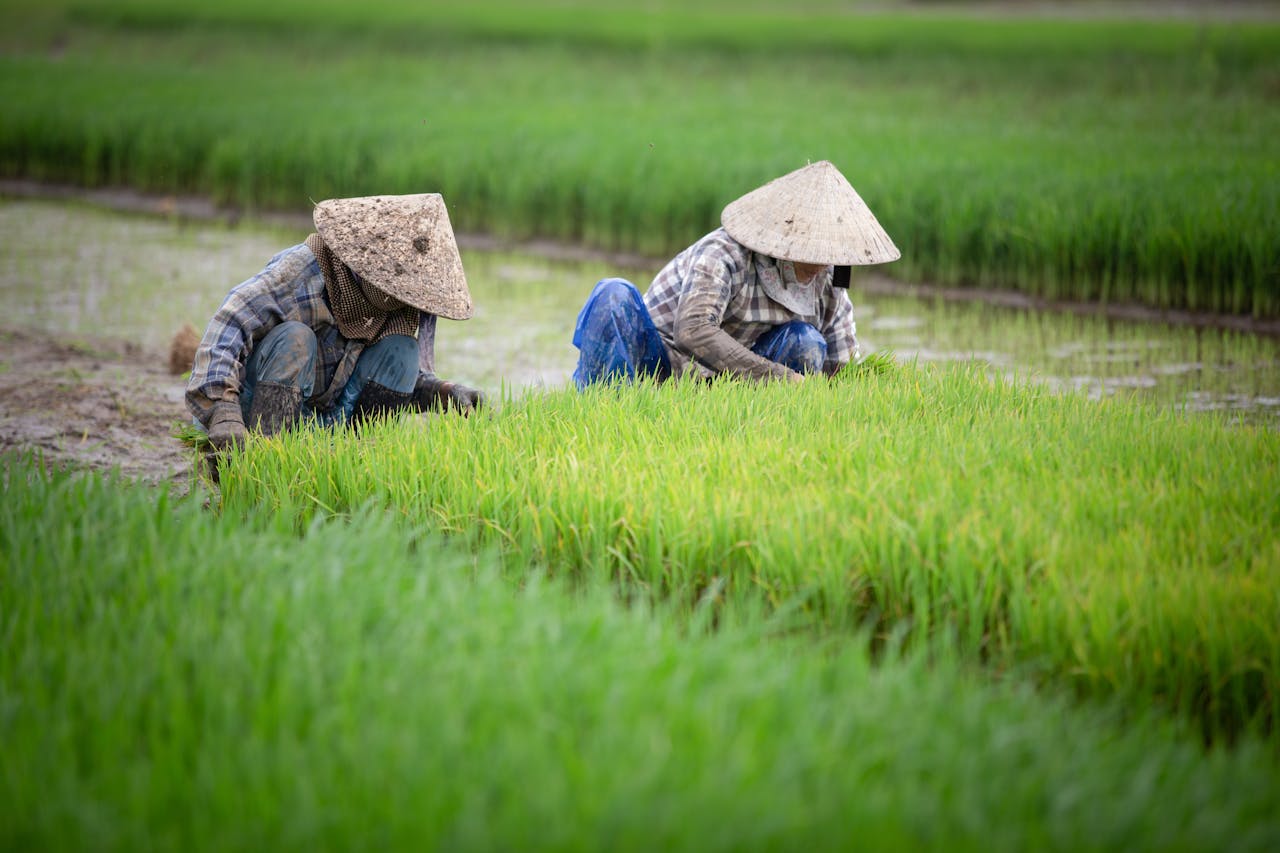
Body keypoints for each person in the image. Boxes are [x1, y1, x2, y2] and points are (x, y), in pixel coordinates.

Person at [186, 193, 484, 451]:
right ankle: (266, 459)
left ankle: (360, 461)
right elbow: (229, 323)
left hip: (327, 418)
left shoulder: (397, 308)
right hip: (255, 411)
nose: (404, 299)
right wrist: (223, 412)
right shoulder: (304, 270)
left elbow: (396, 381)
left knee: (403, 351)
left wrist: (443, 392)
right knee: (296, 339)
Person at [571, 160, 899, 387]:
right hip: (662, 365)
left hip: (728, 387)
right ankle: (603, 409)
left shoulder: (830, 285)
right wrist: (778, 378)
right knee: (613, 294)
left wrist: (879, 385)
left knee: (806, 342)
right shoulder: (725, 254)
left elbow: (840, 372)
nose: (820, 263)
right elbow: (693, 331)